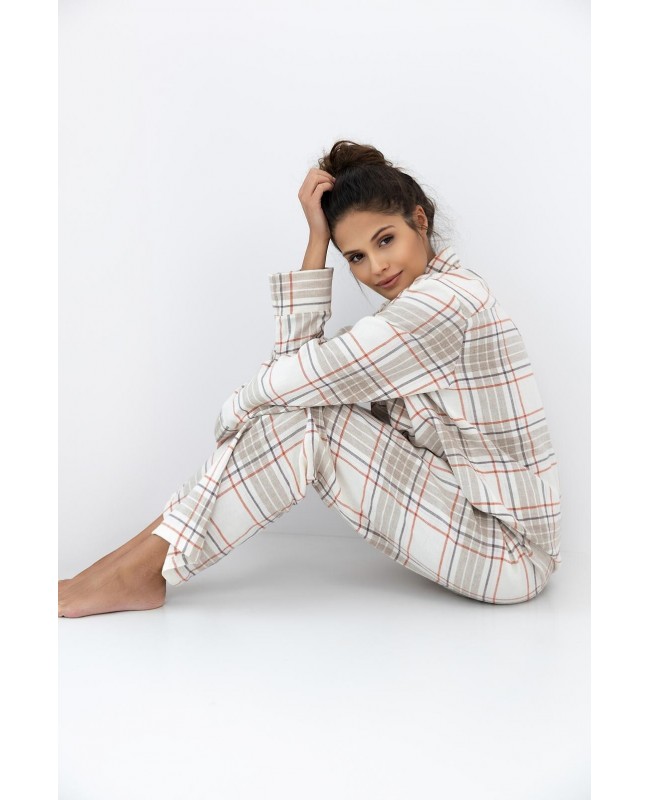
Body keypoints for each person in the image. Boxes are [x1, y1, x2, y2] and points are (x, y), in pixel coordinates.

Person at [58, 140, 562, 618]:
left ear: (420, 220)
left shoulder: (446, 303)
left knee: (310, 419)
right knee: (303, 411)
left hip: (510, 553)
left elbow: (305, 377)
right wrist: (317, 238)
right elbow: (297, 373)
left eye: (385, 240)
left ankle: (135, 572)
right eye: (356, 257)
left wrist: (239, 405)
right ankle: (129, 567)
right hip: (472, 520)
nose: (377, 267)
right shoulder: (418, 307)